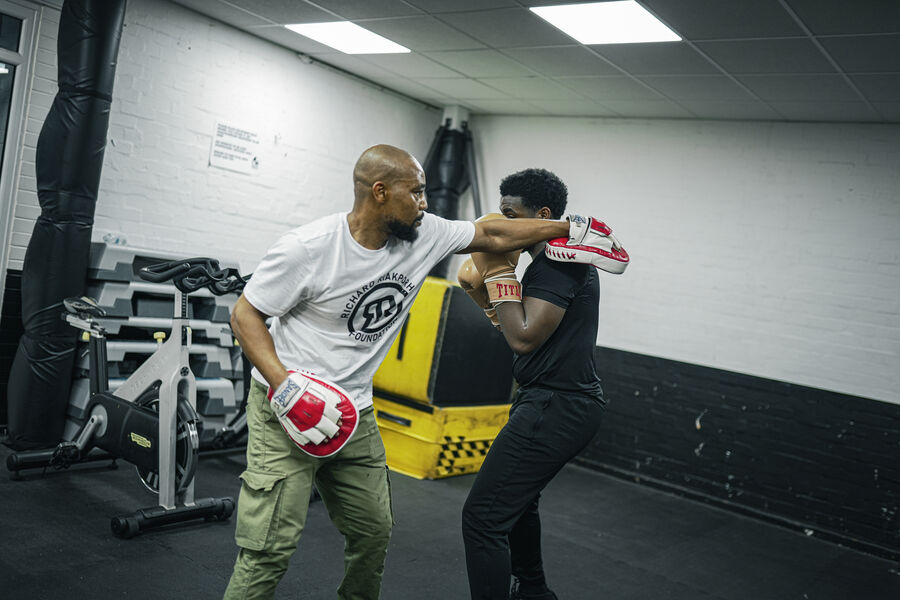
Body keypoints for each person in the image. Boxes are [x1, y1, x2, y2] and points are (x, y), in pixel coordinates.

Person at [223, 145, 597, 600]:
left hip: (355, 411)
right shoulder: (309, 248)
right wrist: (284, 387)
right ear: (380, 192)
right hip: (287, 408)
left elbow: (490, 233)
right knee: (268, 548)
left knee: (373, 533)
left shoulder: (426, 234)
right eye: (416, 192)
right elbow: (245, 315)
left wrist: (571, 228)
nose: (425, 203)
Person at [460, 168, 624, 600]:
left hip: (558, 405)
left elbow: (523, 338)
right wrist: (486, 295)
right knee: (517, 504)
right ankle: (533, 591)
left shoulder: (557, 263)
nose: (504, 224)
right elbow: (518, 329)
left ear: (544, 216)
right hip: (548, 399)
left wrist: (497, 269)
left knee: (482, 519)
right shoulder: (546, 264)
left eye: (512, 215)